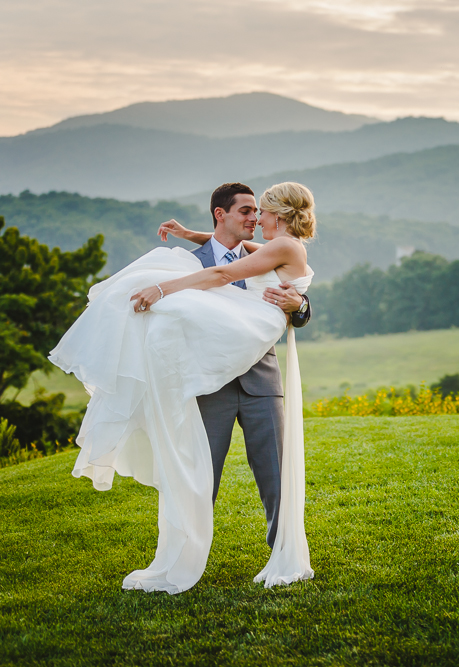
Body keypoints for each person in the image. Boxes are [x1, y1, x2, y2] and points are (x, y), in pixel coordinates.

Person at [49, 181, 317, 594]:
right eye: (245, 212)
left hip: (261, 378)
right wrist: (191, 237)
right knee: (197, 474)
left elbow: (228, 273)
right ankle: (185, 555)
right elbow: (221, 257)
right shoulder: (215, 256)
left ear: (276, 215)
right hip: (212, 384)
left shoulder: (274, 249)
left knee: (275, 473)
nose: (253, 218)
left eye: (258, 212)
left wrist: (298, 305)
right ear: (220, 215)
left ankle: (283, 552)